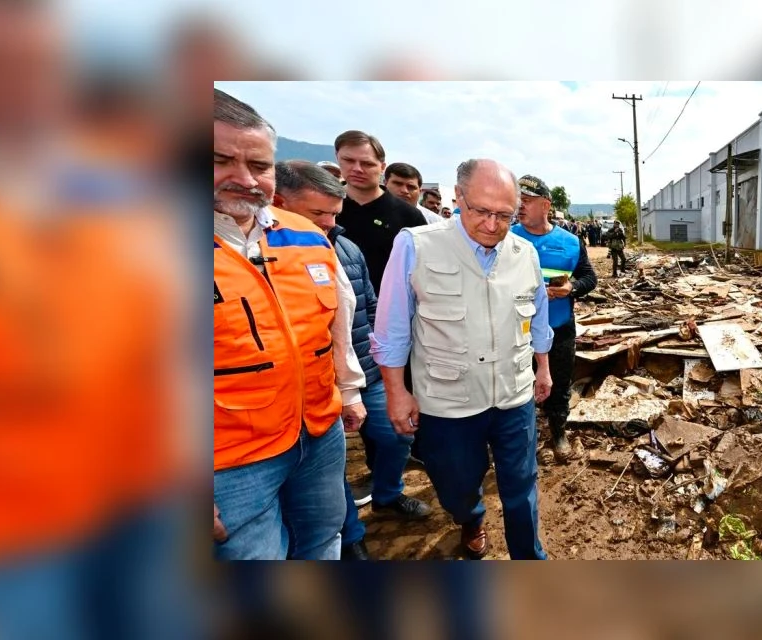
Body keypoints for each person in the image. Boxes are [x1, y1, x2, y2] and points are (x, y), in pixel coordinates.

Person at [373, 158, 553, 560]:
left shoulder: (525, 253)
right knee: (455, 484)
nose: (492, 224)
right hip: (448, 401)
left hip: (513, 394)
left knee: (522, 484)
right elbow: (392, 330)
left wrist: (543, 368)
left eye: (504, 215)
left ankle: (529, 556)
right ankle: (470, 517)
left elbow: (537, 317)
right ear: (458, 198)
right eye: (480, 211)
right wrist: (396, 393)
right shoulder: (416, 245)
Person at [213, 90, 366, 560]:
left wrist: (350, 389)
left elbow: (337, 321)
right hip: (229, 462)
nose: (244, 178)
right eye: (220, 160)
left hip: (318, 433)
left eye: (259, 165)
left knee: (323, 539)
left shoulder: (305, 235)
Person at [273, 161, 433, 561]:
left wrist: (384, 361)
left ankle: (388, 494)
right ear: (279, 202)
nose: (328, 222)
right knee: (328, 469)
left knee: (398, 433)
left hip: (368, 371)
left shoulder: (345, 248)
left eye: (333, 213)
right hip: (310, 386)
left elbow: (371, 306)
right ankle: (351, 532)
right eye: (317, 213)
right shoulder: (265, 258)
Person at [511, 175, 598, 460]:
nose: (519, 206)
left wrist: (571, 288)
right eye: (518, 201)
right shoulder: (506, 238)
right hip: (515, 331)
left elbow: (589, 278)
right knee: (517, 386)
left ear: (546, 205)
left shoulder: (570, 242)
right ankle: (522, 437)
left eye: (527, 201)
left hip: (558, 327)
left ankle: (558, 433)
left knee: (558, 384)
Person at [334, 131, 428, 293]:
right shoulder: (323, 208)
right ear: (338, 159)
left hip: (386, 306)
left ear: (382, 167)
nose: (357, 169)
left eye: (367, 163)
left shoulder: (409, 216)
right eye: (349, 160)